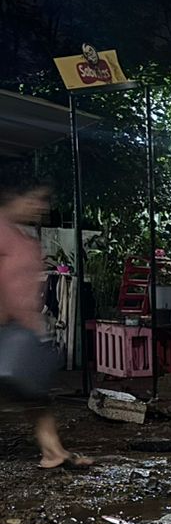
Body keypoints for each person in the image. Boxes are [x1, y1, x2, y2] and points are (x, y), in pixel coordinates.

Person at [0, 182, 89, 470]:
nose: (42, 207)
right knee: (29, 390)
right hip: (7, 325)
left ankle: (53, 451)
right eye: (35, 199)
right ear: (13, 197)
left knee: (35, 392)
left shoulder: (21, 235)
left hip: (23, 327)